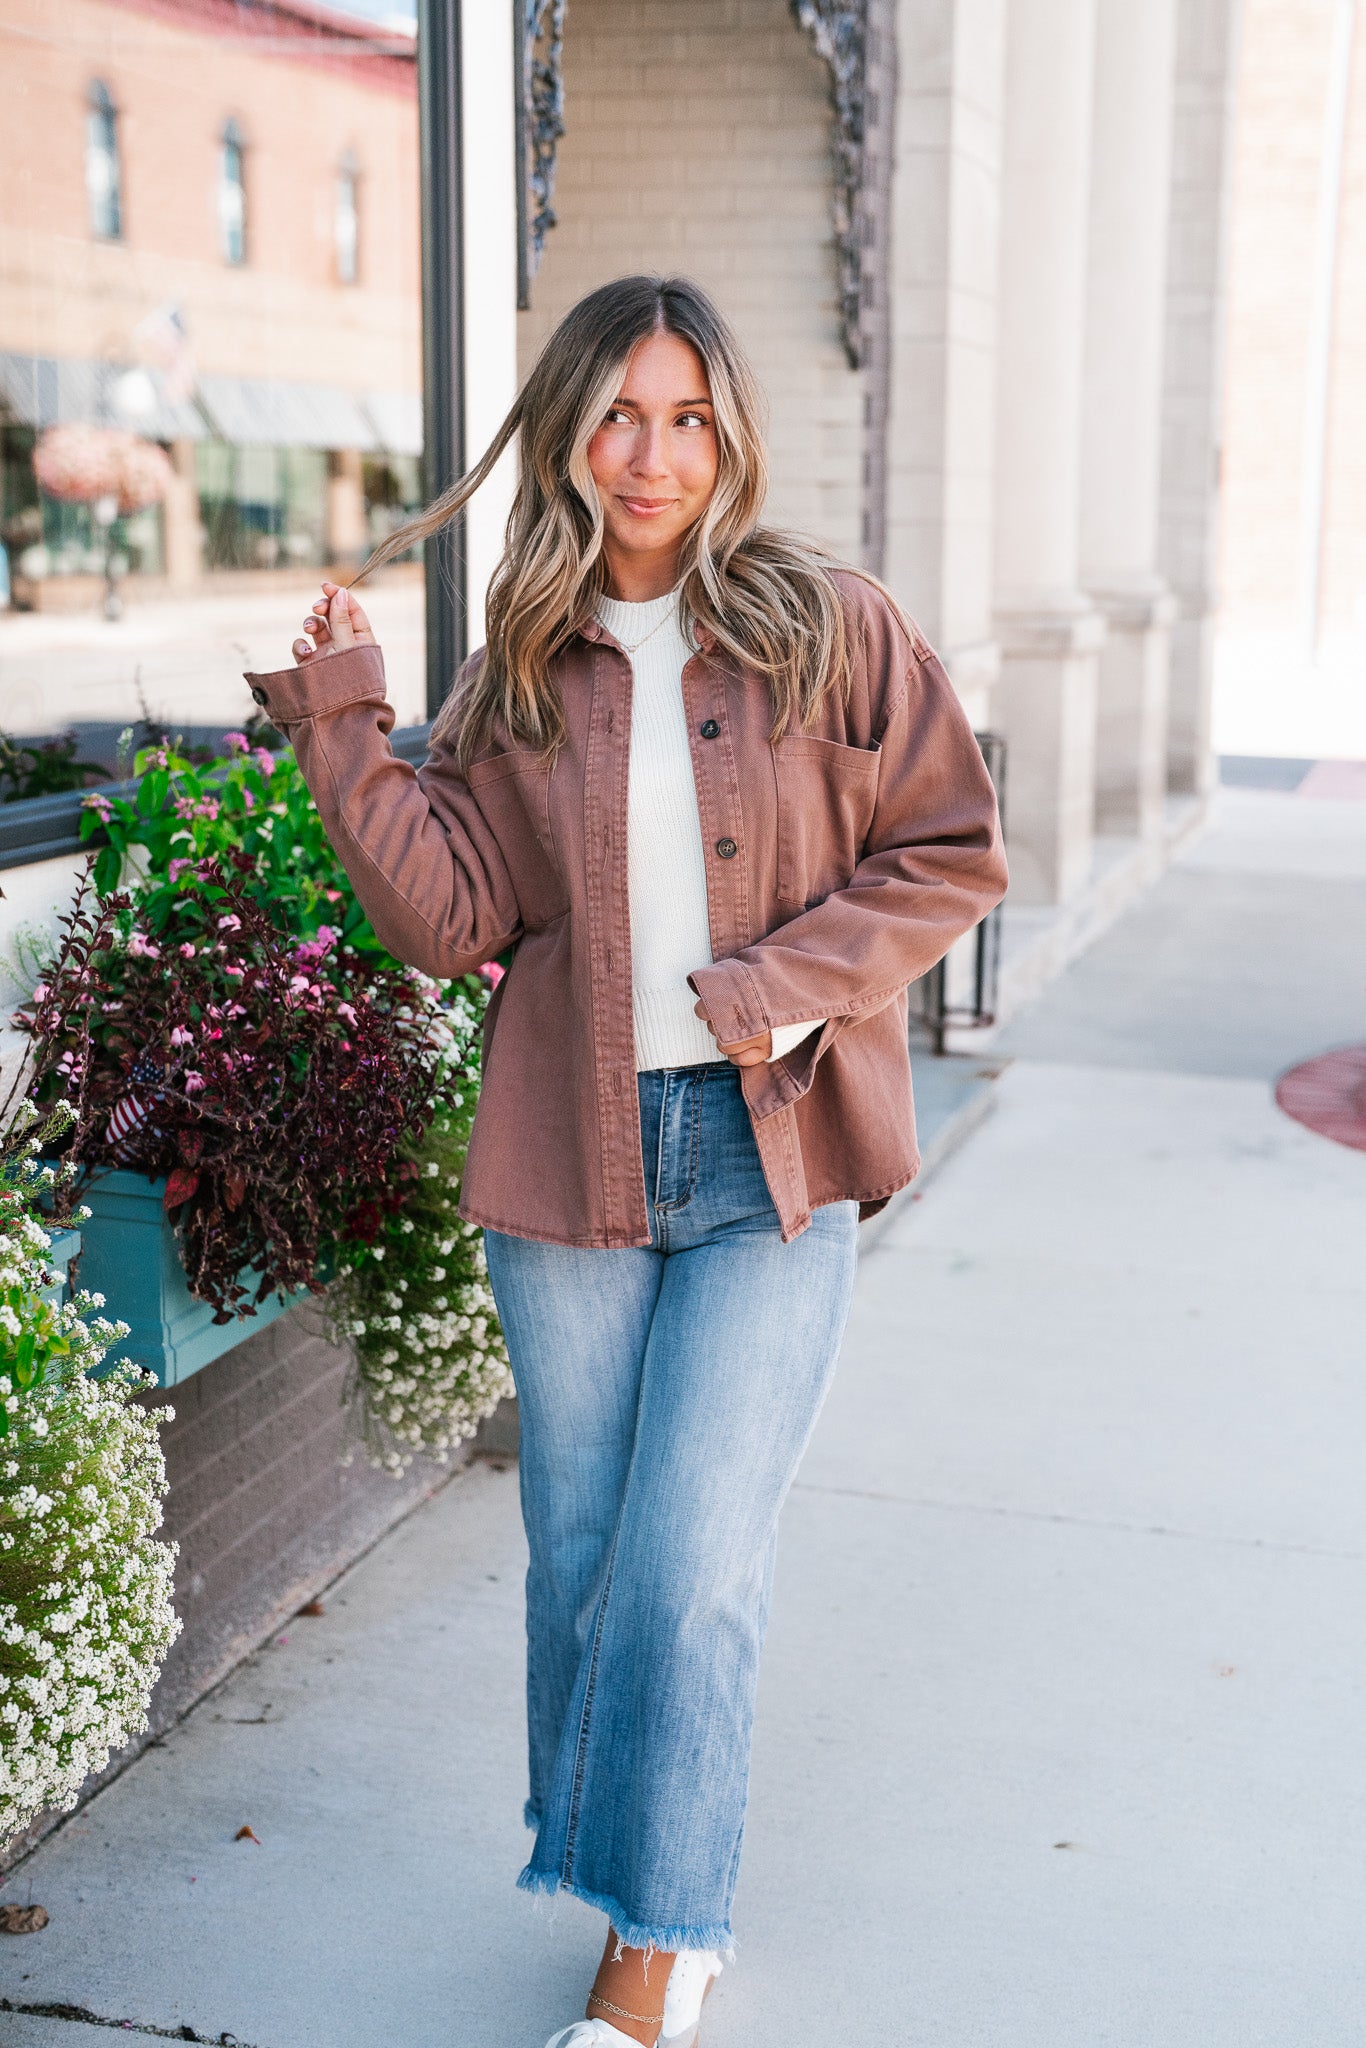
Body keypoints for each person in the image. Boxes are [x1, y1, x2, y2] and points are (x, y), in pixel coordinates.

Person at [244, 274, 1007, 2048]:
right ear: (568, 434)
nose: (649, 454)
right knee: (583, 1558)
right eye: (614, 417)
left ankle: (656, 1946)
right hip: (572, 1161)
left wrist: (769, 989)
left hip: (766, 1159)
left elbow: (952, 851)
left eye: (682, 416)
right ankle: (644, 1874)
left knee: (685, 1571)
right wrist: (347, 722)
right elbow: (449, 919)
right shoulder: (520, 663)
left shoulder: (831, 624)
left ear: (726, 427)